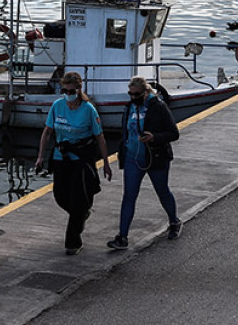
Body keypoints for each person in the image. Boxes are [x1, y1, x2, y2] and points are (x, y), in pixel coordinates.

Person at [35, 72, 112, 256]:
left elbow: (99, 137)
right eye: (64, 90)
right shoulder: (57, 106)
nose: (68, 93)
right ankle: (82, 214)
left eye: (71, 90)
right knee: (60, 196)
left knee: (78, 199)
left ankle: (73, 241)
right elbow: (47, 132)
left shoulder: (88, 110)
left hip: (81, 158)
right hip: (61, 157)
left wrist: (106, 163)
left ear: (78, 90)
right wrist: (40, 157)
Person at [107, 77, 182, 250]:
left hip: (155, 157)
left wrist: (154, 137)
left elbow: (173, 133)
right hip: (133, 157)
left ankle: (174, 221)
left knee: (162, 191)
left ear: (146, 91)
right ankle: (122, 236)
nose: (133, 97)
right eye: (130, 94)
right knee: (129, 196)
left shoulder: (158, 107)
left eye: (137, 94)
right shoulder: (129, 107)